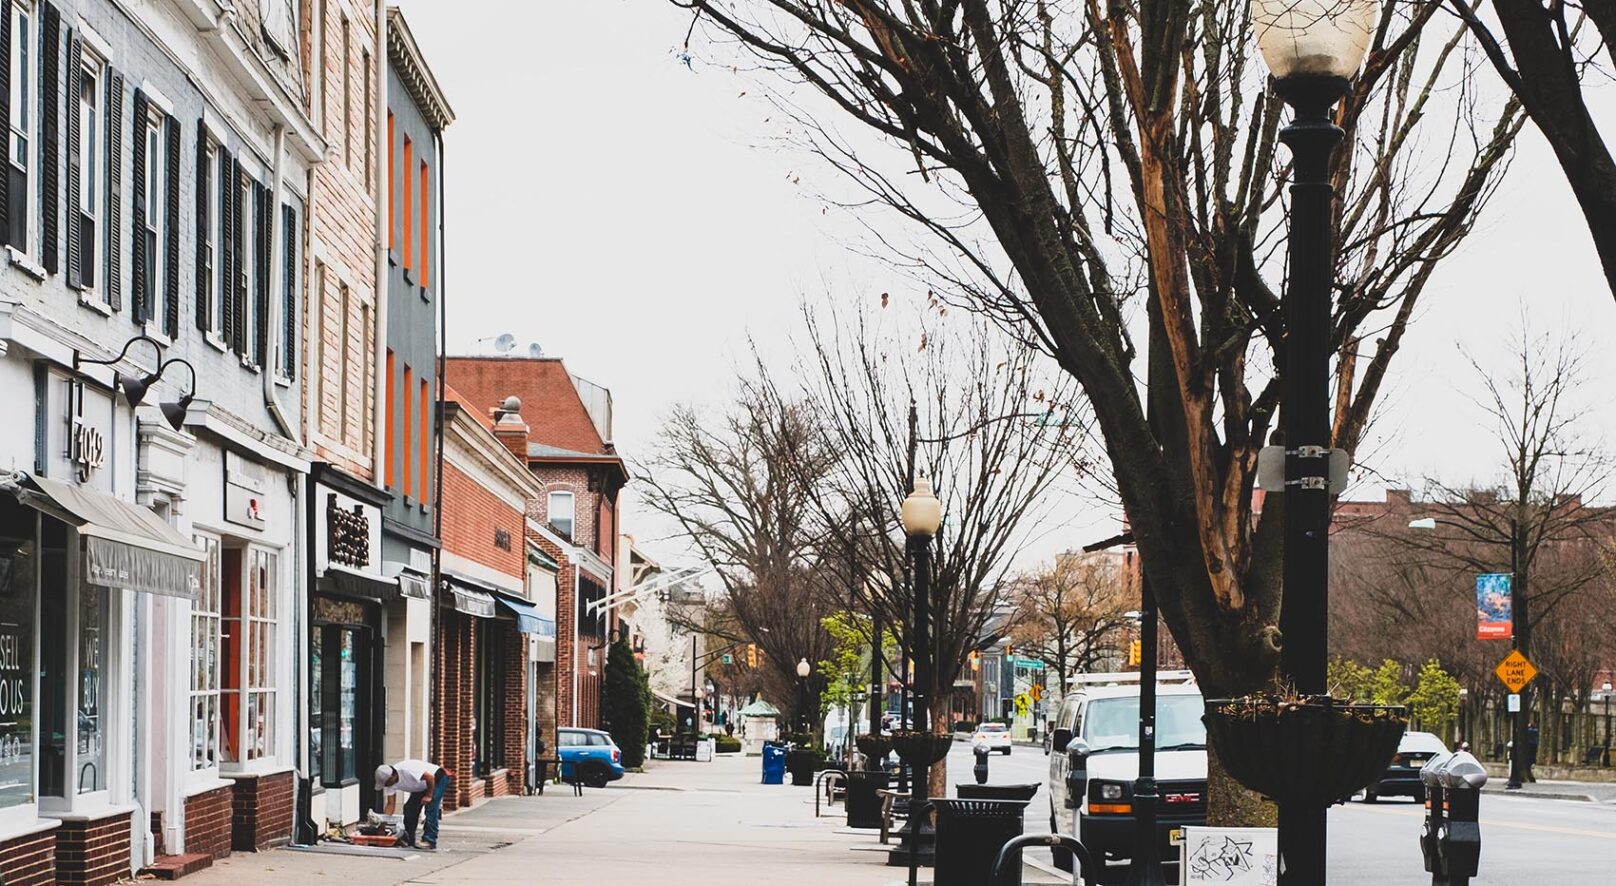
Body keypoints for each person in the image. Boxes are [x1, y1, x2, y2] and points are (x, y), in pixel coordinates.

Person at [375, 759, 450, 850]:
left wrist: (429, 795)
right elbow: (390, 805)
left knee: (431, 808)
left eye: (386, 783)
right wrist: (383, 824)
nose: (386, 786)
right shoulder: (390, 784)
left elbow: (430, 777)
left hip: (437, 779)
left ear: (392, 777)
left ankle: (430, 840)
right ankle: (409, 839)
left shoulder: (407, 770)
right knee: (409, 809)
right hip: (421, 786)